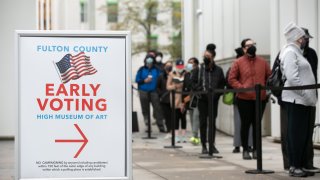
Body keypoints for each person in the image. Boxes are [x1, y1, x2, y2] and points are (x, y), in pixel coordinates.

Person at [280, 22, 317, 177]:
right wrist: (306, 93)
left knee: (302, 134)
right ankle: (294, 166)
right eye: (303, 37)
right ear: (296, 38)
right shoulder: (290, 52)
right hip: (296, 100)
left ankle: (300, 164)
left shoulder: (296, 52)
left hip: (302, 101)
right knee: (295, 134)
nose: (305, 39)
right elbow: (292, 78)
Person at [228, 38, 271, 160]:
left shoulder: (262, 62)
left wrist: (266, 90)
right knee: (245, 124)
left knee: (257, 124)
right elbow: (232, 79)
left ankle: (257, 150)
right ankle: (245, 149)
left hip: (260, 99)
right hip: (244, 99)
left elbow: (270, 76)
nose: (251, 47)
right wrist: (242, 88)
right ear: (243, 49)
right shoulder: (238, 62)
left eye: (253, 45)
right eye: (248, 45)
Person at [198, 44, 226, 154]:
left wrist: (216, 95)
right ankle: (203, 145)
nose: (205, 57)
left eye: (208, 56)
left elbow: (222, 84)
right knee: (203, 122)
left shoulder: (218, 70)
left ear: (213, 57)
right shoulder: (200, 69)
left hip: (213, 100)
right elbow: (194, 82)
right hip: (202, 100)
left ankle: (211, 144)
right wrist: (200, 91)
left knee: (212, 122)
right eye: (204, 55)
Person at [227, 46, 253, 153]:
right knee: (241, 123)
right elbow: (229, 80)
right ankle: (240, 144)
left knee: (243, 123)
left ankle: (244, 145)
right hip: (239, 97)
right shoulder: (235, 65)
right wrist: (241, 87)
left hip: (247, 96)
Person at [135, 54, 166, 133]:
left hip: (154, 92)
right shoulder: (141, 69)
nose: (149, 61)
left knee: (158, 109)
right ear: (145, 60)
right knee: (145, 109)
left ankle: (161, 126)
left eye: (151, 59)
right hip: (143, 92)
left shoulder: (157, 69)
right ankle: (147, 126)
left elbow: (161, 79)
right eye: (147, 59)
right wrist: (144, 81)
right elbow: (137, 79)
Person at [167, 59, 188, 143]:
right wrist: (175, 86)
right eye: (178, 66)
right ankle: (176, 136)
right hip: (175, 99)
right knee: (176, 119)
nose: (180, 67)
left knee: (183, 118)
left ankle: (183, 136)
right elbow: (168, 87)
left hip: (184, 99)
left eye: (181, 66)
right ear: (176, 66)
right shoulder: (172, 74)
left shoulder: (186, 73)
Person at [183, 57, 201, 145]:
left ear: (196, 64)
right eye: (188, 62)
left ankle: (195, 136)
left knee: (196, 117)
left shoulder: (199, 72)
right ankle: (195, 135)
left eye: (192, 62)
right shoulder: (187, 73)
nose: (189, 64)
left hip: (196, 98)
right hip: (188, 98)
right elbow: (185, 86)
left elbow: (195, 84)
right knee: (191, 116)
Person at [157, 61, 173, 139]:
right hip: (164, 99)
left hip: (173, 99)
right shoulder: (161, 76)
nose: (169, 67)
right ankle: (169, 130)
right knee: (167, 116)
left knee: (174, 116)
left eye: (170, 66)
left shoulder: (175, 75)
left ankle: (174, 130)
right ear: (164, 67)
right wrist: (161, 95)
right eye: (167, 66)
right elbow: (157, 87)